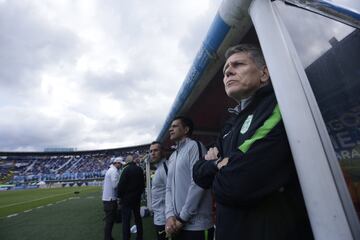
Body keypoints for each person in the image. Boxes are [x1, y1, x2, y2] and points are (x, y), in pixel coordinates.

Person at [193, 44, 314, 240]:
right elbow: (198, 173)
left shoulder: (280, 105)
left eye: (238, 64)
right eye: (225, 71)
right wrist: (218, 164)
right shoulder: (228, 125)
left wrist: (215, 166)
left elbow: (237, 183)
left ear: (264, 73)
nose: (228, 72)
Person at [165, 116, 214, 240]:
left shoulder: (194, 146)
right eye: (170, 126)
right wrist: (170, 215)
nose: (170, 129)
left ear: (186, 130)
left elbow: (198, 183)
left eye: (175, 126)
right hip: (177, 223)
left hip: (197, 225)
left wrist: (183, 218)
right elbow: (169, 188)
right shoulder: (172, 157)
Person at [118, 155, 145, 240]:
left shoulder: (125, 170)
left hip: (126, 199)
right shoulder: (139, 169)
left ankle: (126, 238)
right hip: (136, 198)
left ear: (127, 162)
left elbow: (121, 185)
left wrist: (120, 197)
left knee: (126, 221)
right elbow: (142, 185)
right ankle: (139, 237)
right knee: (138, 219)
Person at [150, 141, 168, 240]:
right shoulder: (159, 168)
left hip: (164, 218)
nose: (152, 153)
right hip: (159, 217)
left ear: (163, 152)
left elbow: (172, 191)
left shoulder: (165, 167)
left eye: (156, 150)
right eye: (151, 151)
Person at [102, 157, 122, 240]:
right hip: (110, 200)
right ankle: (107, 238)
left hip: (108, 199)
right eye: (120, 164)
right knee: (109, 221)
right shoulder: (114, 171)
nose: (121, 165)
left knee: (109, 221)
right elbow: (115, 185)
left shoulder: (111, 170)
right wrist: (122, 182)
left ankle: (108, 237)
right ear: (117, 163)